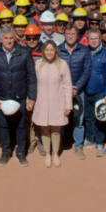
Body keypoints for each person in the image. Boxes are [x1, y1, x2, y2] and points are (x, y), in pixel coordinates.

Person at [0, 27, 37, 167]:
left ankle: (21, 152)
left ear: (15, 38)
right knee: (3, 125)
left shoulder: (25, 52)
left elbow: (31, 77)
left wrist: (31, 97)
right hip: (2, 97)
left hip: (20, 96)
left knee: (21, 126)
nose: (9, 41)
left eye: (11, 38)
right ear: (0, 39)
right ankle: (5, 151)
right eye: (6, 38)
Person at [33, 40, 72, 168]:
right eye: (47, 50)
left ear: (56, 51)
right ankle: (48, 154)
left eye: (52, 50)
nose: (49, 52)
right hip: (42, 102)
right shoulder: (38, 64)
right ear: (43, 51)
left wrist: (68, 105)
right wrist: (31, 100)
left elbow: (67, 86)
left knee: (56, 129)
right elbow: (33, 84)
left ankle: (55, 154)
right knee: (44, 129)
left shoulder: (63, 64)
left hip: (58, 102)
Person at [57, 25, 91, 159]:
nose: (70, 36)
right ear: (64, 34)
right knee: (61, 118)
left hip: (78, 91)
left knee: (79, 119)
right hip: (61, 91)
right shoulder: (58, 50)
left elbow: (86, 70)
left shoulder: (84, 50)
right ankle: (59, 144)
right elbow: (56, 70)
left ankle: (78, 146)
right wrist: (66, 88)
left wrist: (75, 87)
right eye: (68, 33)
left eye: (73, 33)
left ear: (77, 35)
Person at [84, 29, 106, 157]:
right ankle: (90, 138)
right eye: (91, 39)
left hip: (100, 93)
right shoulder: (84, 52)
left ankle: (100, 142)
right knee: (88, 117)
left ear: (100, 39)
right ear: (87, 40)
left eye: (96, 38)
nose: (93, 41)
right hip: (86, 91)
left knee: (100, 119)